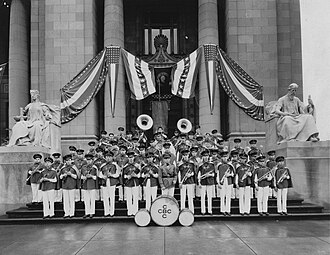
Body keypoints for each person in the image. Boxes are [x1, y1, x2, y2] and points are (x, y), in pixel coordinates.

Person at [99, 151, 121, 217]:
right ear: (105, 157)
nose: (108, 158)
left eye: (110, 157)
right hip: (105, 182)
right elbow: (100, 174)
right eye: (107, 157)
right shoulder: (103, 165)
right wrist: (104, 176)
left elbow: (118, 174)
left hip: (112, 182)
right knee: (105, 197)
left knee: (112, 197)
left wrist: (111, 175)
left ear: (112, 157)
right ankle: (106, 212)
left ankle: (112, 212)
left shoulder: (115, 165)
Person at [217, 151, 235, 216]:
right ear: (221, 158)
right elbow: (218, 175)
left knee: (228, 196)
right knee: (222, 196)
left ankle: (228, 210)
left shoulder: (230, 165)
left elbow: (233, 174)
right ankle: (223, 210)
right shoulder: (219, 165)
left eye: (225, 157)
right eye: (223, 157)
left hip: (229, 181)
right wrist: (218, 183)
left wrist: (229, 174)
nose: (224, 158)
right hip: (222, 182)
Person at [123, 150, 141, 216]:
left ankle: (135, 211)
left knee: (135, 198)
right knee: (129, 198)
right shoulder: (125, 166)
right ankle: (130, 211)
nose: (131, 159)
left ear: (134, 158)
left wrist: (135, 175)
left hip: (135, 183)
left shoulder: (137, 166)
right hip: (128, 183)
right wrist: (128, 176)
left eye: (132, 157)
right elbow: (123, 175)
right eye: (129, 157)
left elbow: (140, 175)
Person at [197, 150, 215, 215]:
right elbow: (199, 174)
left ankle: (210, 210)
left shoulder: (212, 164)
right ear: (202, 157)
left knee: (209, 197)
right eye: (204, 156)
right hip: (203, 182)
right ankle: (203, 210)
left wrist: (209, 175)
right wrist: (199, 182)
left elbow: (214, 174)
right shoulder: (200, 165)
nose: (206, 157)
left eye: (207, 156)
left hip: (210, 182)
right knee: (202, 197)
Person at [177, 149, 195, 214]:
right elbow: (179, 173)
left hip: (190, 182)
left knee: (190, 197)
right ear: (182, 156)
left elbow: (194, 172)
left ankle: (191, 211)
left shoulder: (191, 163)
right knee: (183, 197)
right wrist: (180, 182)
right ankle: (182, 210)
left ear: (188, 155)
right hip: (183, 182)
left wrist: (190, 174)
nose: (185, 156)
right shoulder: (180, 164)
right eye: (184, 155)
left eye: (186, 155)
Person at [81, 154, 98, 218]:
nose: (88, 161)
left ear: (92, 160)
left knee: (92, 199)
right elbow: (81, 176)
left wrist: (91, 176)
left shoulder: (94, 167)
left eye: (90, 160)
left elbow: (96, 177)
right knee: (86, 199)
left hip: (92, 184)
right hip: (85, 185)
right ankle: (87, 212)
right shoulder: (83, 167)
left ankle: (92, 212)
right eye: (87, 160)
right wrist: (85, 177)